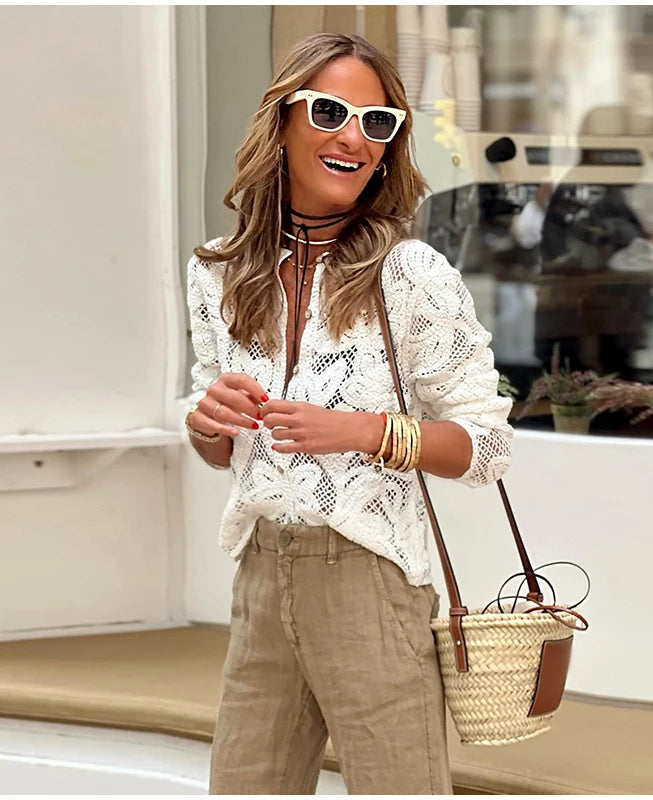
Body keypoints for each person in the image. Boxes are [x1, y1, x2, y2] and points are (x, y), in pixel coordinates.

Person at [184, 32, 513, 795]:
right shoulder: (219, 270)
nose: (353, 138)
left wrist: (366, 431)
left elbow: (488, 447)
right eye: (330, 112)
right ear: (282, 122)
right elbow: (219, 448)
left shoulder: (410, 274)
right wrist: (207, 422)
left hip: (371, 583)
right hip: (261, 578)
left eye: (377, 123)